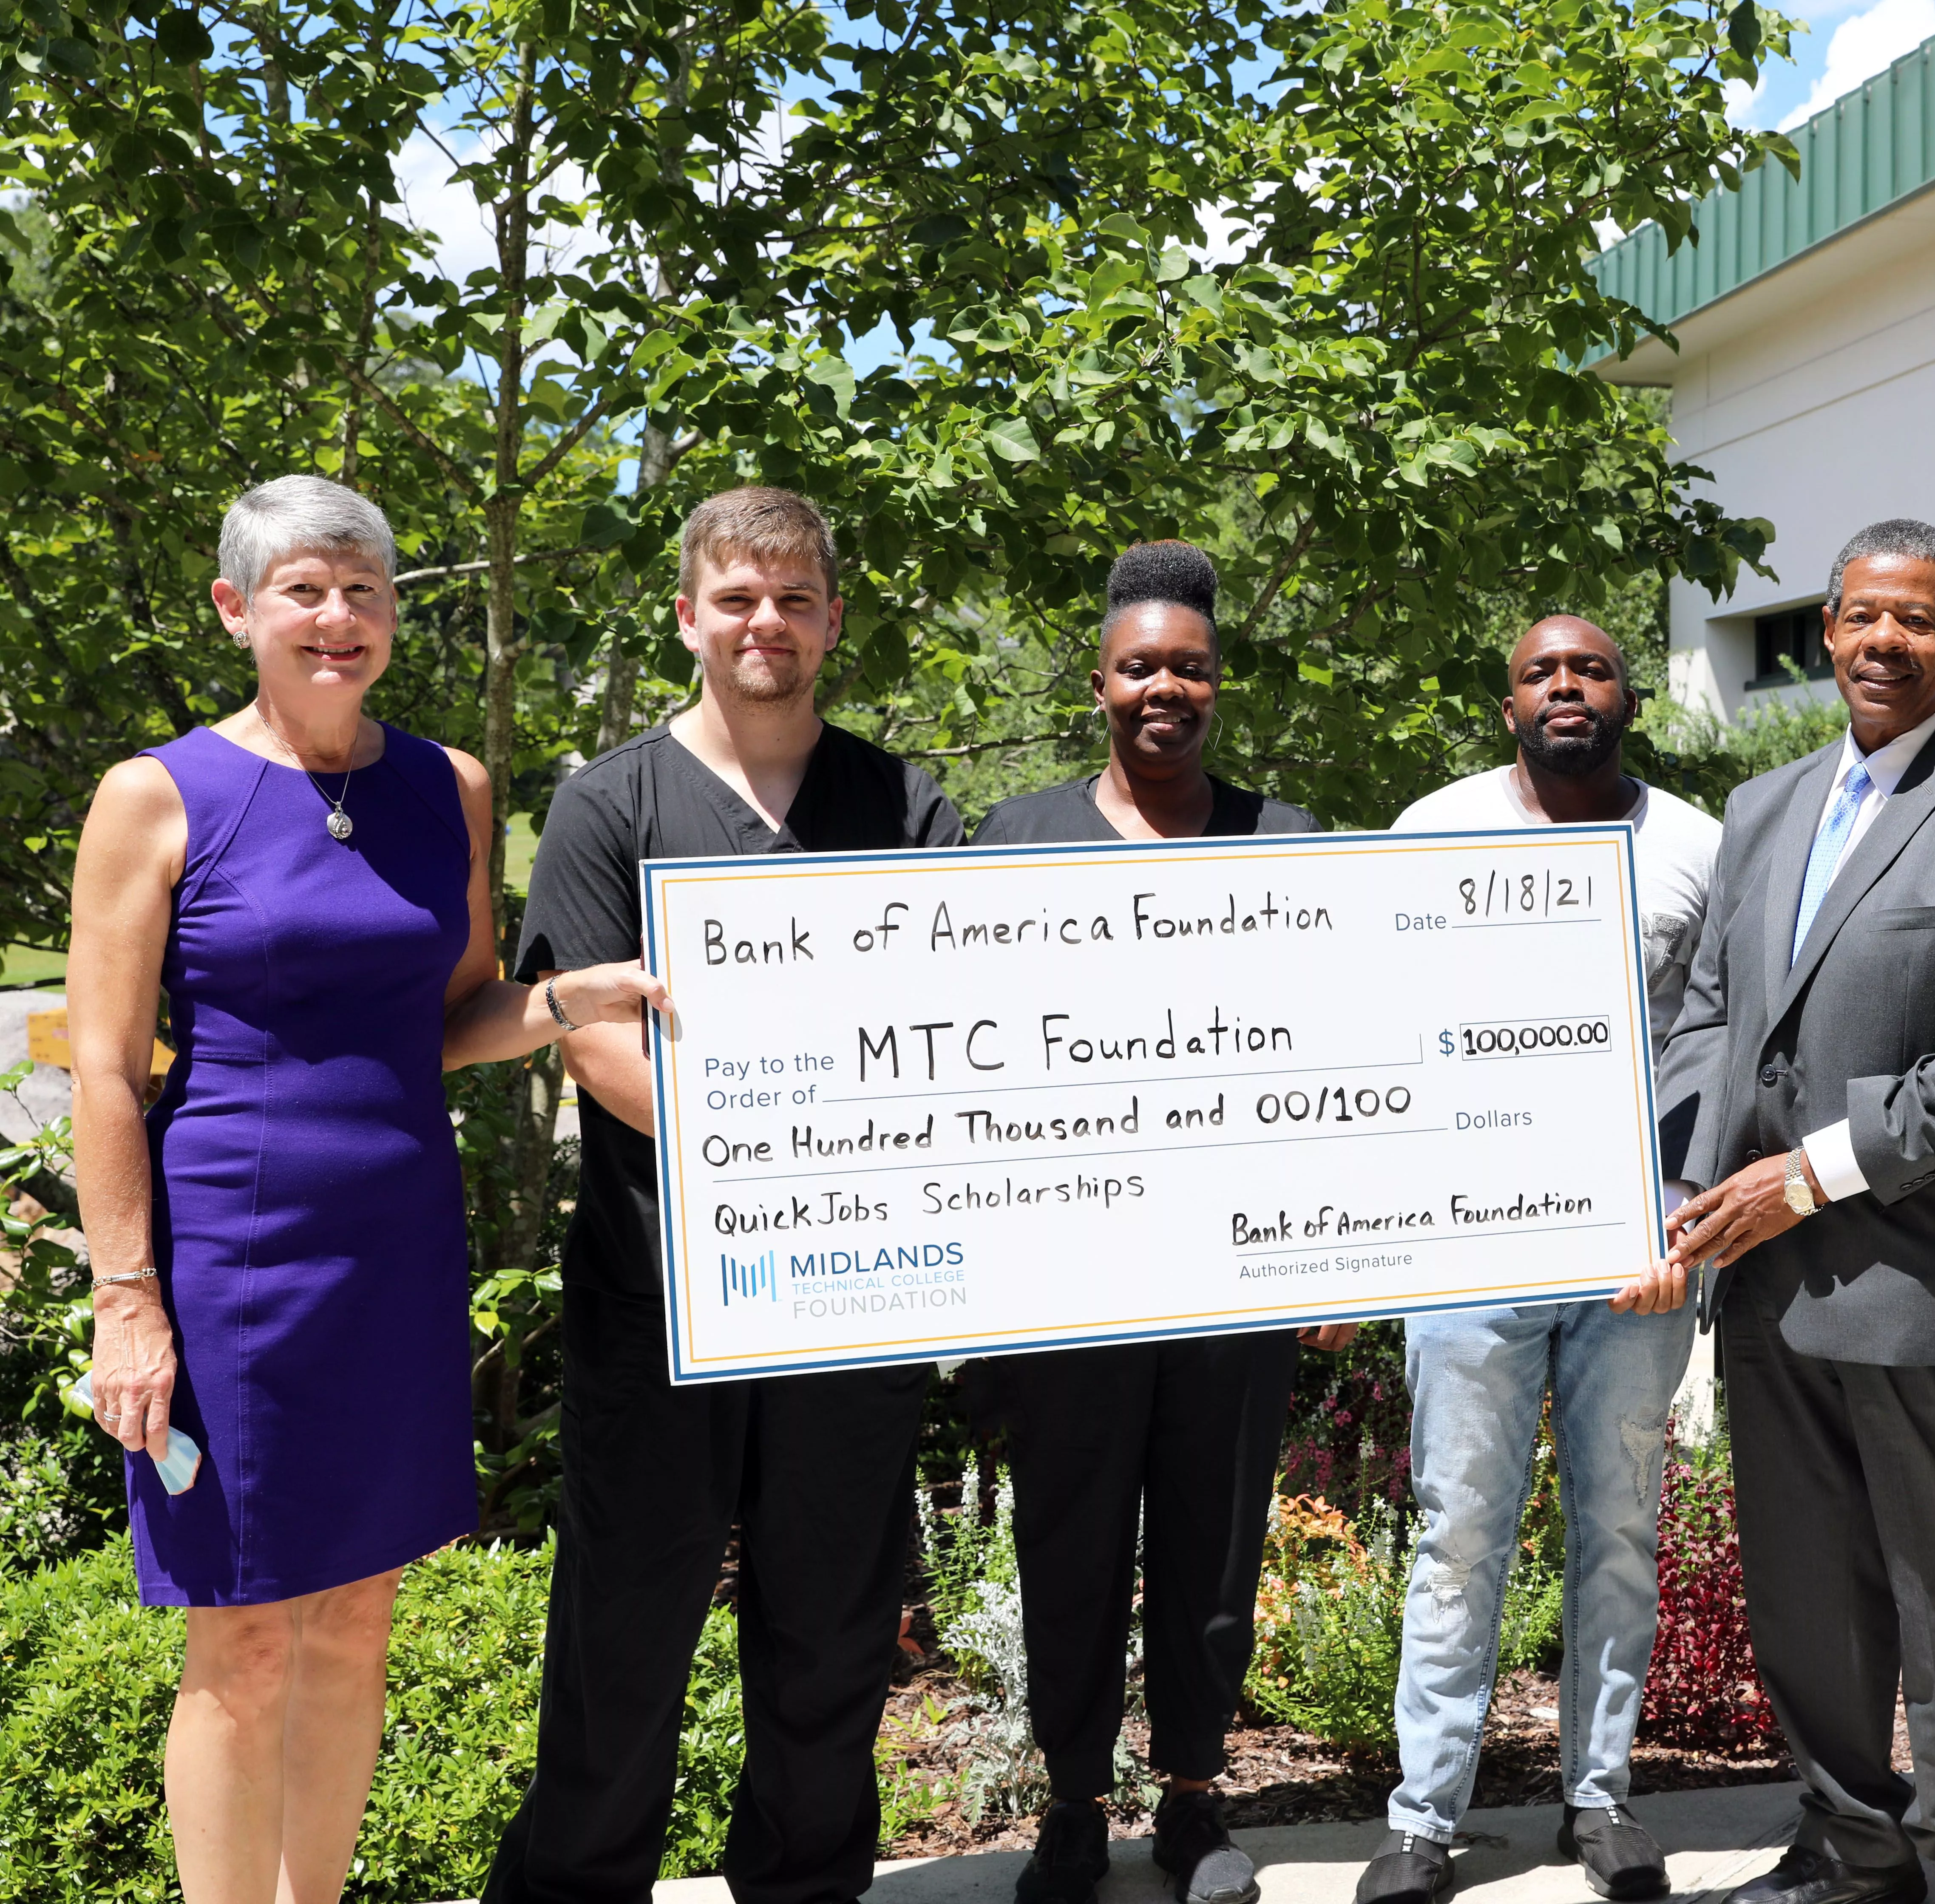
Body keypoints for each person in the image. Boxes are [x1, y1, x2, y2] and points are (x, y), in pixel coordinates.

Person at [69, 474, 664, 1904]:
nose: (338, 620)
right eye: (303, 591)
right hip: (229, 1267)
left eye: (365, 592)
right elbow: (99, 1072)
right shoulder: (155, 797)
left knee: (352, 1621)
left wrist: (559, 1004)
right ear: (237, 611)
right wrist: (124, 1302)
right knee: (246, 1630)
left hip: (395, 1256)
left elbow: (451, 1016)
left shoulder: (445, 786)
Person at [481, 487, 964, 1904]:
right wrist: (774, 1141)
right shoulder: (609, 800)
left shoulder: (903, 803)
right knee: (624, 1627)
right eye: (738, 599)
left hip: (852, 1298)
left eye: (796, 600)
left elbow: (961, 1019)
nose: (768, 624)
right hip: (660, 1295)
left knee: (832, 1634)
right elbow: (592, 1035)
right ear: (689, 614)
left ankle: (809, 1885)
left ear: (831, 621)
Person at [1657, 520, 1935, 1904]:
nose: (1881, 643)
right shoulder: (1763, 809)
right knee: (1805, 1590)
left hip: (1932, 1278)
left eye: (1915, 621)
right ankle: (1854, 1843)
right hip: (1773, 1289)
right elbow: (1714, 1017)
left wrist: (1808, 1175)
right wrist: (1691, 1182)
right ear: (1827, 630)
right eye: (1858, 618)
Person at [968, 541, 1353, 1904]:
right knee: (1066, 1546)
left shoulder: (1287, 839)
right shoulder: (1013, 836)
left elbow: (1334, 1054)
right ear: (1099, 684)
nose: (1164, 688)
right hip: (1070, 1276)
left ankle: (1193, 1801)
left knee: (1211, 1548)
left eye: (1188, 666)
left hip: (1234, 1271)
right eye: (1140, 666)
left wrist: (1337, 1244)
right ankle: (1073, 1809)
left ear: (1216, 685)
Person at [1351, 617, 1717, 1904]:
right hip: (1471, 1245)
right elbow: (1369, 1029)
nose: (1567, 687)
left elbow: (1719, 1043)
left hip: (1636, 1254)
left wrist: (1684, 1209)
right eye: (1539, 673)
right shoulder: (1432, 827)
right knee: (1458, 1534)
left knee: (1618, 1526)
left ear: (1627, 697)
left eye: (1592, 670)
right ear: (1507, 703)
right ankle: (1421, 1818)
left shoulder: (1693, 847)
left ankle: (1600, 1800)